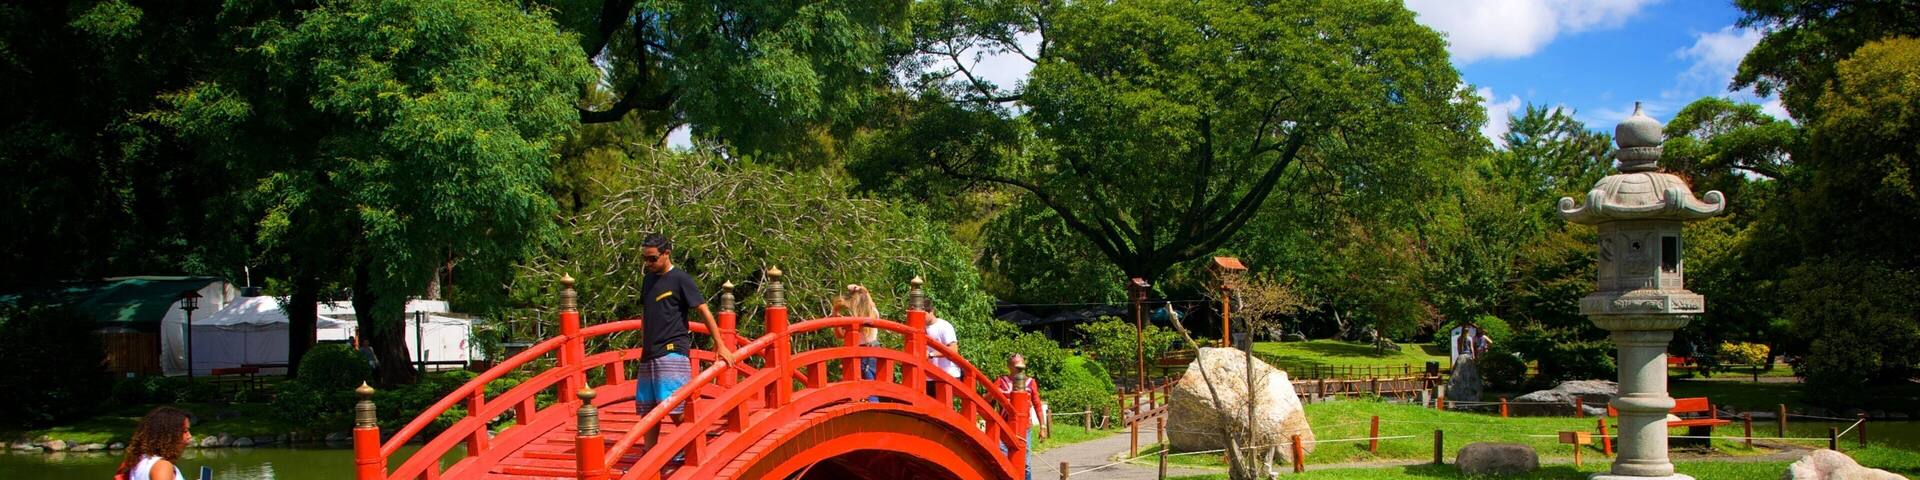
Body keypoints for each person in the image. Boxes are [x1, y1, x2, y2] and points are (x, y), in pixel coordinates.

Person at [635, 233, 735, 467]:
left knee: (674, 406)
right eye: (645, 259)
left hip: (672, 350)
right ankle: (649, 454)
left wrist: (720, 344)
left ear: (666, 253)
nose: (647, 264)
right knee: (648, 408)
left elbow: (703, 310)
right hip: (649, 352)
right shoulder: (648, 280)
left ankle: (691, 446)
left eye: (652, 259)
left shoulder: (680, 278)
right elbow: (645, 314)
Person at [994, 354, 1045, 480]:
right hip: (1005, 426)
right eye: (1016, 366)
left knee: (1025, 463)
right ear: (1009, 366)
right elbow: (987, 398)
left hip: (1024, 428)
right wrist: (996, 392)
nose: (1019, 369)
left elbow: (1037, 404)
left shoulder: (1030, 382)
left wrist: (1043, 427)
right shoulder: (1001, 381)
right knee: (1004, 459)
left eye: (1022, 365)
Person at [117, 406, 192, 480]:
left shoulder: (136, 462)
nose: (189, 436)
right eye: (185, 431)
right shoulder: (162, 466)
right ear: (168, 435)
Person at [924, 304, 961, 396]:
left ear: (931, 312)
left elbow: (953, 349)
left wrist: (931, 354)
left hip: (947, 373)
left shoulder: (944, 326)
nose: (920, 317)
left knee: (943, 407)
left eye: (923, 314)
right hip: (929, 375)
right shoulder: (920, 327)